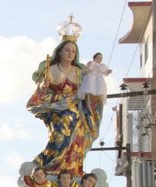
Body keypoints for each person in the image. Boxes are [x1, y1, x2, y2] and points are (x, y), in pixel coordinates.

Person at [27, 39, 102, 177]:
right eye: (67, 50)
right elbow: (42, 91)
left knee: (77, 137)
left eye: (73, 51)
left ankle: (72, 169)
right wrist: (43, 86)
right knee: (60, 135)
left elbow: (91, 88)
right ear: (60, 52)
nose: (70, 53)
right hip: (57, 110)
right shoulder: (51, 69)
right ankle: (54, 165)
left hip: (77, 110)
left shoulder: (80, 72)